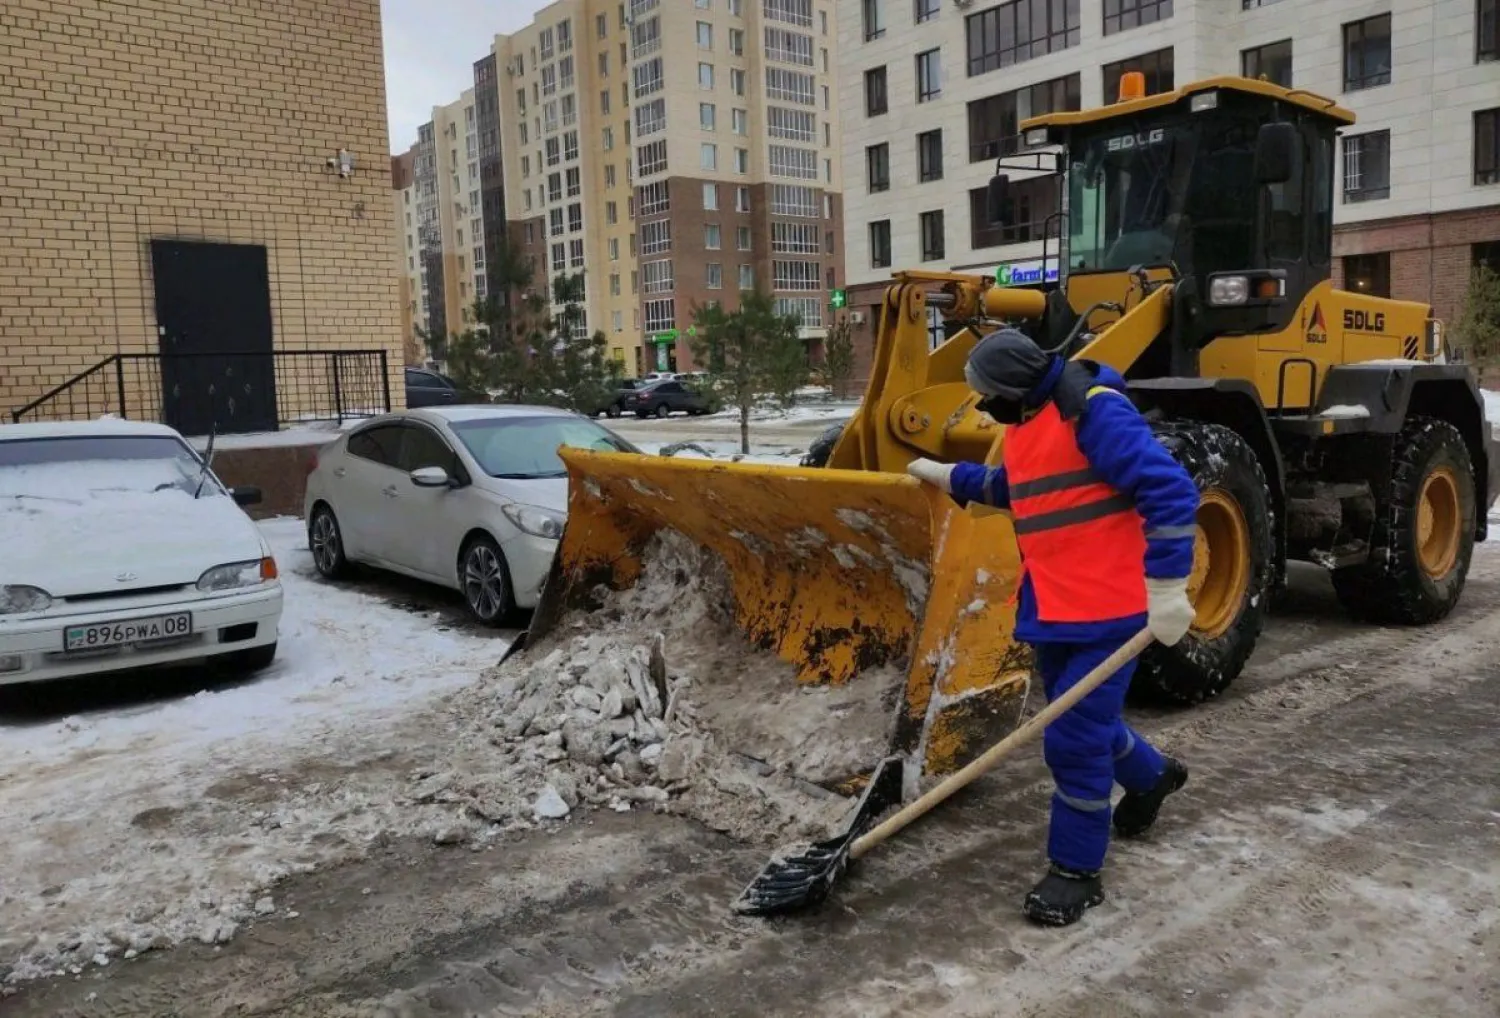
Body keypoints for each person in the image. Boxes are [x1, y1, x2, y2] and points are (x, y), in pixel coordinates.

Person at [905, 328, 1200, 928]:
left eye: (988, 394)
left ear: (1016, 385)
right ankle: (1151, 777)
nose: (984, 405)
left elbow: (1171, 492)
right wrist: (944, 476)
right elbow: (1022, 492)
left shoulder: (1094, 412)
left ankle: (1076, 870)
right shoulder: (1031, 422)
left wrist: (1168, 590)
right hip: (1056, 609)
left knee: (1072, 740)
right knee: (1087, 722)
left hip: (1108, 611)